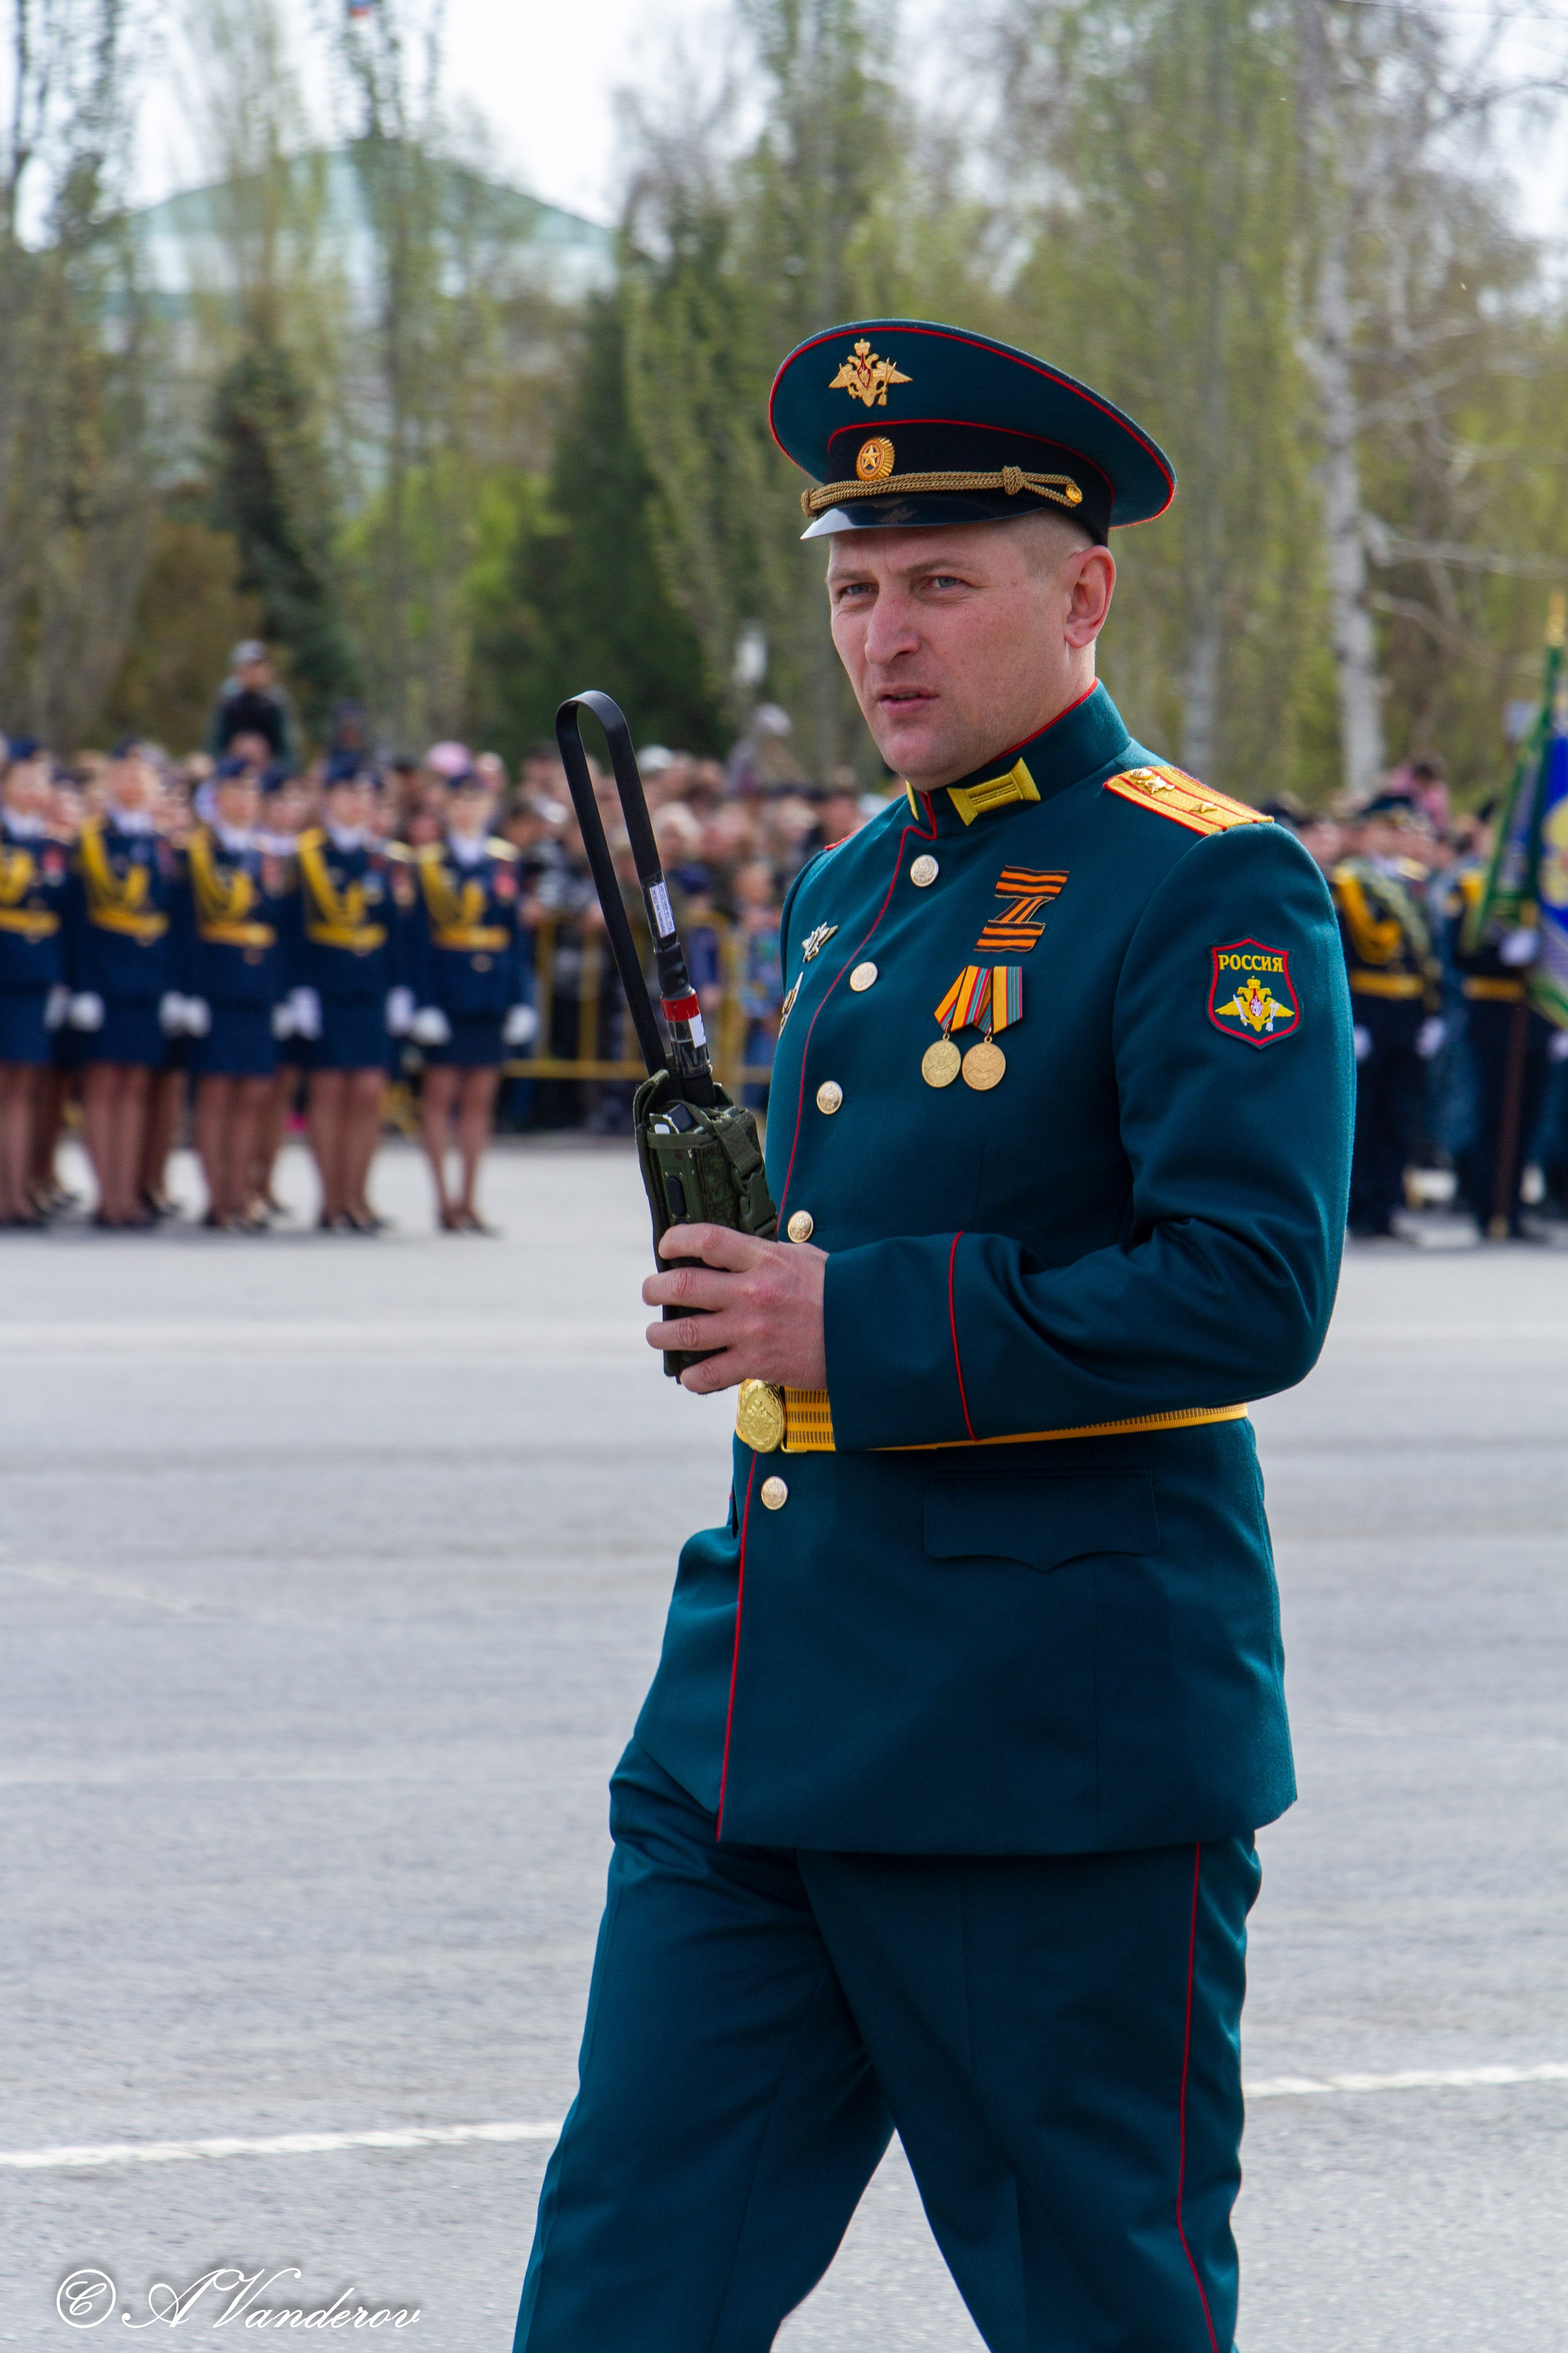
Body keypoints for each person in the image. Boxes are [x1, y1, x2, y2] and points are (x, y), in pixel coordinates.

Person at [512, 319, 1353, 2353]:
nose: (884, 635)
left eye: (941, 583)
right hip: (757, 1719)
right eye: (856, 586)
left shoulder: (1207, 884)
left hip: (1040, 1750)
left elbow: (1254, 1286)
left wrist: (847, 1315)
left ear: (1082, 594)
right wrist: (750, 1302)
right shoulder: (848, 888)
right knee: (622, 2287)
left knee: (1099, 2315)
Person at [408, 761, 535, 1231]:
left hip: (491, 990)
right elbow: (418, 938)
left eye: (477, 801)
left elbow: (515, 938)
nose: (468, 810)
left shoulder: (503, 861)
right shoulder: (428, 863)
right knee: (440, 1095)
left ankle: (469, 1197)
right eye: (460, 800)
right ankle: (442, 1199)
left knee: (481, 1098)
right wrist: (421, 1001)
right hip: (446, 989)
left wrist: (522, 1000)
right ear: (447, 806)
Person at [64, 740, 185, 1228]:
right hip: (105, 980)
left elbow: (176, 923)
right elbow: (78, 921)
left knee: (136, 1085)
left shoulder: (165, 846)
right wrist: (83, 986)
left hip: (149, 980)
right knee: (103, 1085)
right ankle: (107, 1193)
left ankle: (129, 1192)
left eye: (144, 775)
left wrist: (176, 987)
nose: (134, 783)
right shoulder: (91, 840)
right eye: (125, 773)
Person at [176, 755, 297, 1228]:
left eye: (252, 794)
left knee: (252, 1095)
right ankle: (217, 1197)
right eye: (235, 793)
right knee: (216, 1095)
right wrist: (189, 993)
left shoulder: (271, 856)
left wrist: (286, 994)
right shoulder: (197, 853)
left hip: (260, 987)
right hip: (216, 986)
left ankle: (243, 1190)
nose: (245, 802)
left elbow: (284, 930)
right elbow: (186, 928)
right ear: (217, 799)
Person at [293, 754, 412, 1231]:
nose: (359, 803)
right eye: (349, 793)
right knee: (329, 1092)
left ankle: (358, 1197)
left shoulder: (385, 859)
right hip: (326, 988)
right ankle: (331, 1199)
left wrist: (402, 990)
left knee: (367, 1093)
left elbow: (400, 932)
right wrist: (301, 990)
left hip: (372, 989)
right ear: (329, 799)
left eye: (367, 795)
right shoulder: (308, 856)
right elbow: (295, 927)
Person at [1330, 795, 1444, 1237]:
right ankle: (1362, 1206)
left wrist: (1430, 1013)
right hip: (1369, 1009)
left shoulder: (1413, 883)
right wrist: (1351, 1020)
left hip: (1407, 1013)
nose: (1395, 838)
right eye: (1386, 829)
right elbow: (1342, 956)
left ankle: (1390, 1205)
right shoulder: (1348, 884)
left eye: (1402, 830)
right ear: (1367, 833)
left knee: (1401, 1113)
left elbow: (1427, 957)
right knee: (1367, 1113)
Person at [1439, 821, 1556, 1237]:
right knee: (1493, 1109)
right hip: (1492, 1010)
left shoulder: (1545, 891)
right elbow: (1458, 953)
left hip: (1536, 1015)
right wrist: (1503, 956)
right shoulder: (1473, 886)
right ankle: (1488, 1204)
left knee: (1529, 1110)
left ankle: (1514, 1205)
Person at [0, 738, 71, 1225]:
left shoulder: (51, 845)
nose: (35, 789)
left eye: (42, 781)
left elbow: (66, 919)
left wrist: (63, 981)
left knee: (26, 1086)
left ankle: (19, 1189)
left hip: (35, 976)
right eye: (24, 780)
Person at [205, 640, 295, 764]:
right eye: (249, 667)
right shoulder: (229, 700)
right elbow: (215, 744)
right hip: (232, 764)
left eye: (258, 667)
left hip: (268, 767)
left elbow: (286, 750)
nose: (254, 672)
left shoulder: (275, 702)